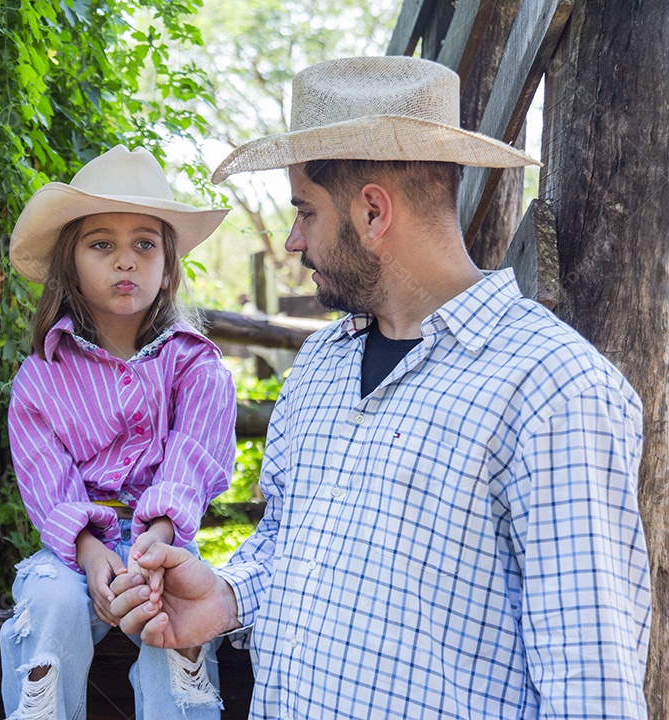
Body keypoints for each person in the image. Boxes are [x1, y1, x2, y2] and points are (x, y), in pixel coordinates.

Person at [112, 56, 651, 719]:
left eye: (305, 212)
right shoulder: (319, 366)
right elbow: (288, 540)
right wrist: (225, 594)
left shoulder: (553, 389)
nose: (291, 240)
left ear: (372, 211)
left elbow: (590, 691)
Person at [0, 144, 236, 719]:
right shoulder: (41, 378)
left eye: (144, 244)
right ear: (71, 263)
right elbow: (45, 479)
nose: (125, 260)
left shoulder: (196, 366)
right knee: (50, 603)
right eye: (101, 243)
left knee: (175, 621)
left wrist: (157, 535)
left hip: (164, 543)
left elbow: (194, 453)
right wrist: (87, 550)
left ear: (167, 265)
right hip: (73, 550)